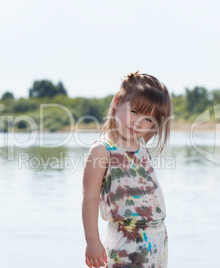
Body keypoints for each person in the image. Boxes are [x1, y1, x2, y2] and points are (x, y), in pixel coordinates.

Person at [82, 70, 173, 268]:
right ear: (117, 102)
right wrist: (92, 242)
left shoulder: (141, 145)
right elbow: (90, 197)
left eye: (149, 119)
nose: (139, 123)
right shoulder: (102, 151)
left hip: (156, 240)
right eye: (134, 112)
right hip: (126, 241)